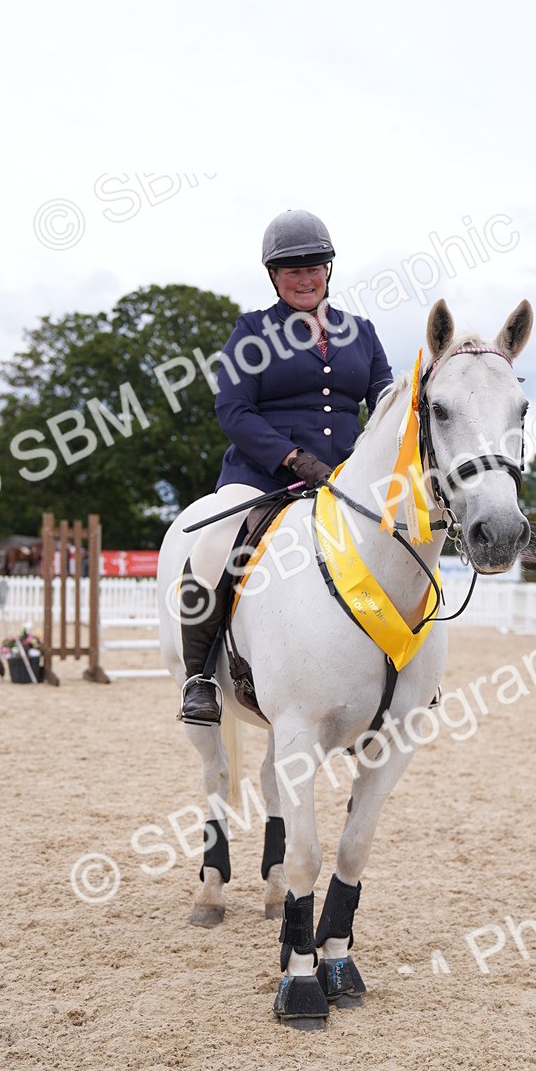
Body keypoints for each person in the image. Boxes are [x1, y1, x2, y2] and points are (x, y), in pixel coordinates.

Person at [179, 209, 393, 724]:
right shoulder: (251, 333)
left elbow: (385, 400)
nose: (304, 278)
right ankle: (201, 676)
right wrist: (291, 457)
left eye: (313, 266)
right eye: (292, 269)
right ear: (274, 277)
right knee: (212, 548)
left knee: (404, 542)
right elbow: (233, 409)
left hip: (343, 483)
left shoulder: (361, 333)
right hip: (261, 479)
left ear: (329, 270)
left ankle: (408, 671)